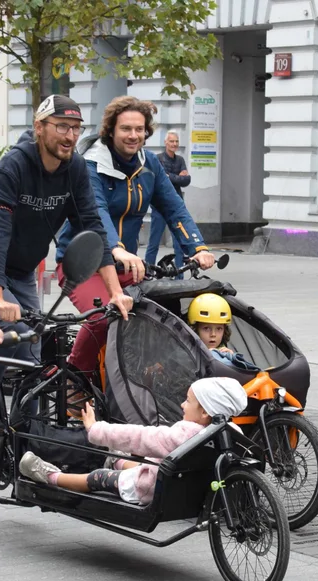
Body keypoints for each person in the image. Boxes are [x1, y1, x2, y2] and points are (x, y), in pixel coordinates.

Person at [0, 94, 132, 432]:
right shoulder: (15, 165)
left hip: (20, 270)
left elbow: (92, 228)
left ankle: (25, 434)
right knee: (14, 331)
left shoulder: (75, 168)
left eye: (76, 128)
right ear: (39, 127)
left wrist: (115, 292)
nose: (69, 135)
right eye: (62, 126)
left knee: (34, 350)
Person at [54, 96, 216, 378]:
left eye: (139, 129)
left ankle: (151, 379)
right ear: (111, 131)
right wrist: (116, 249)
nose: (133, 135)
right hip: (82, 265)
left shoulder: (149, 165)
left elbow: (174, 208)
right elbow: (96, 213)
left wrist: (197, 247)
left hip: (126, 266)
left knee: (165, 316)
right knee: (104, 317)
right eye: (126, 129)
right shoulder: (89, 165)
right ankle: (75, 378)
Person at [18, 377, 248, 505]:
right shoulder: (231, 432)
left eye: (187, 401)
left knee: (96, 477)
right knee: (138, 463)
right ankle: (115, 461)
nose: (182, 405)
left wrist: (97, 428)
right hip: (182, 485)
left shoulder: (184, 434)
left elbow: (141, 437)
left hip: (147, 488)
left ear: (205, 413)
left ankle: (50, 475)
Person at [145, 130, 192, 267]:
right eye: (171, 141)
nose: (174, 144)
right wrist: (178, 177)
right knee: (154, 243)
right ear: (165, 142)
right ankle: (149, 271)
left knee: (179, 243)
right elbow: (160, 180)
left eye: (176, 141)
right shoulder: (158, 158)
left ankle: (179, 274)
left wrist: (169, 176)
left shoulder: (180, 160)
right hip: (159, 206)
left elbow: (186, 180)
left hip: (176, 206)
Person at [187, 293, 258, 371]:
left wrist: (232, 360)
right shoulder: (185, 354)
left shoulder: (224, 354)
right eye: (206, 328)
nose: (213, 334)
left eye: (219, 329)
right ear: (195, 330)